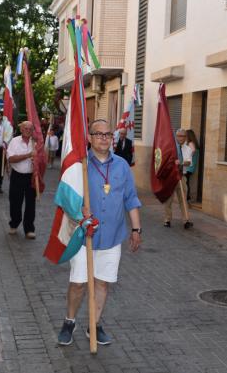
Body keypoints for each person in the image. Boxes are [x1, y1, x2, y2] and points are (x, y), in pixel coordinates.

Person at [57, 119, 142, 346]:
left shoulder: (122, 165)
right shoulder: (80, 165)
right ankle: (69, 321)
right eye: (99, 134)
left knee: (103, 283)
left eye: (108, 134)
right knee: (78, 283)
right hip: (84, 237)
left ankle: (94, 325)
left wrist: (136, 229)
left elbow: (131, 198)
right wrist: (78, 212)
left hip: (113, 237)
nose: (104, 138)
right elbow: (66, 198)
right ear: (90, 137)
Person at [6, 121, 37, 239]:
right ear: (21, 129)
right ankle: (14, 223)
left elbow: (42, 158)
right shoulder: (14, 141)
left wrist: (38, 160)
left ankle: (29, 229)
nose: (28, 130)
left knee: (30, 204)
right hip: (17, 176)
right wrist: (28, 155)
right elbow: (11, 159)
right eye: (26, 128)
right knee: (15, 202)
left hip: (31, 177)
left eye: (30, 128)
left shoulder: (35, 142)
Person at [163, 128, 193, 229]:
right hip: (171, 177)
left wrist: (181, 163)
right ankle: (167, 219)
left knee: (183, 199)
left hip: (182, 177)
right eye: (179, 136)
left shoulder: (188, 149)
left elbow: (188, 162)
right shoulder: (171, 148)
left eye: (183, 136)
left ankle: (186, 221)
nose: (181, 138)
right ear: (176, 137)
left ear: (185, 137)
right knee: (168, 199)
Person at [184, 129, 199, 201]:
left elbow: (193, 150)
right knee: (186, 182)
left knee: (186, 182)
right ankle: (187, 197)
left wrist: (188, 157)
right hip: (190, 167)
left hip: (188, 167)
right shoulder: (193, 143)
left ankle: (187, 198)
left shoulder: (190, 143)